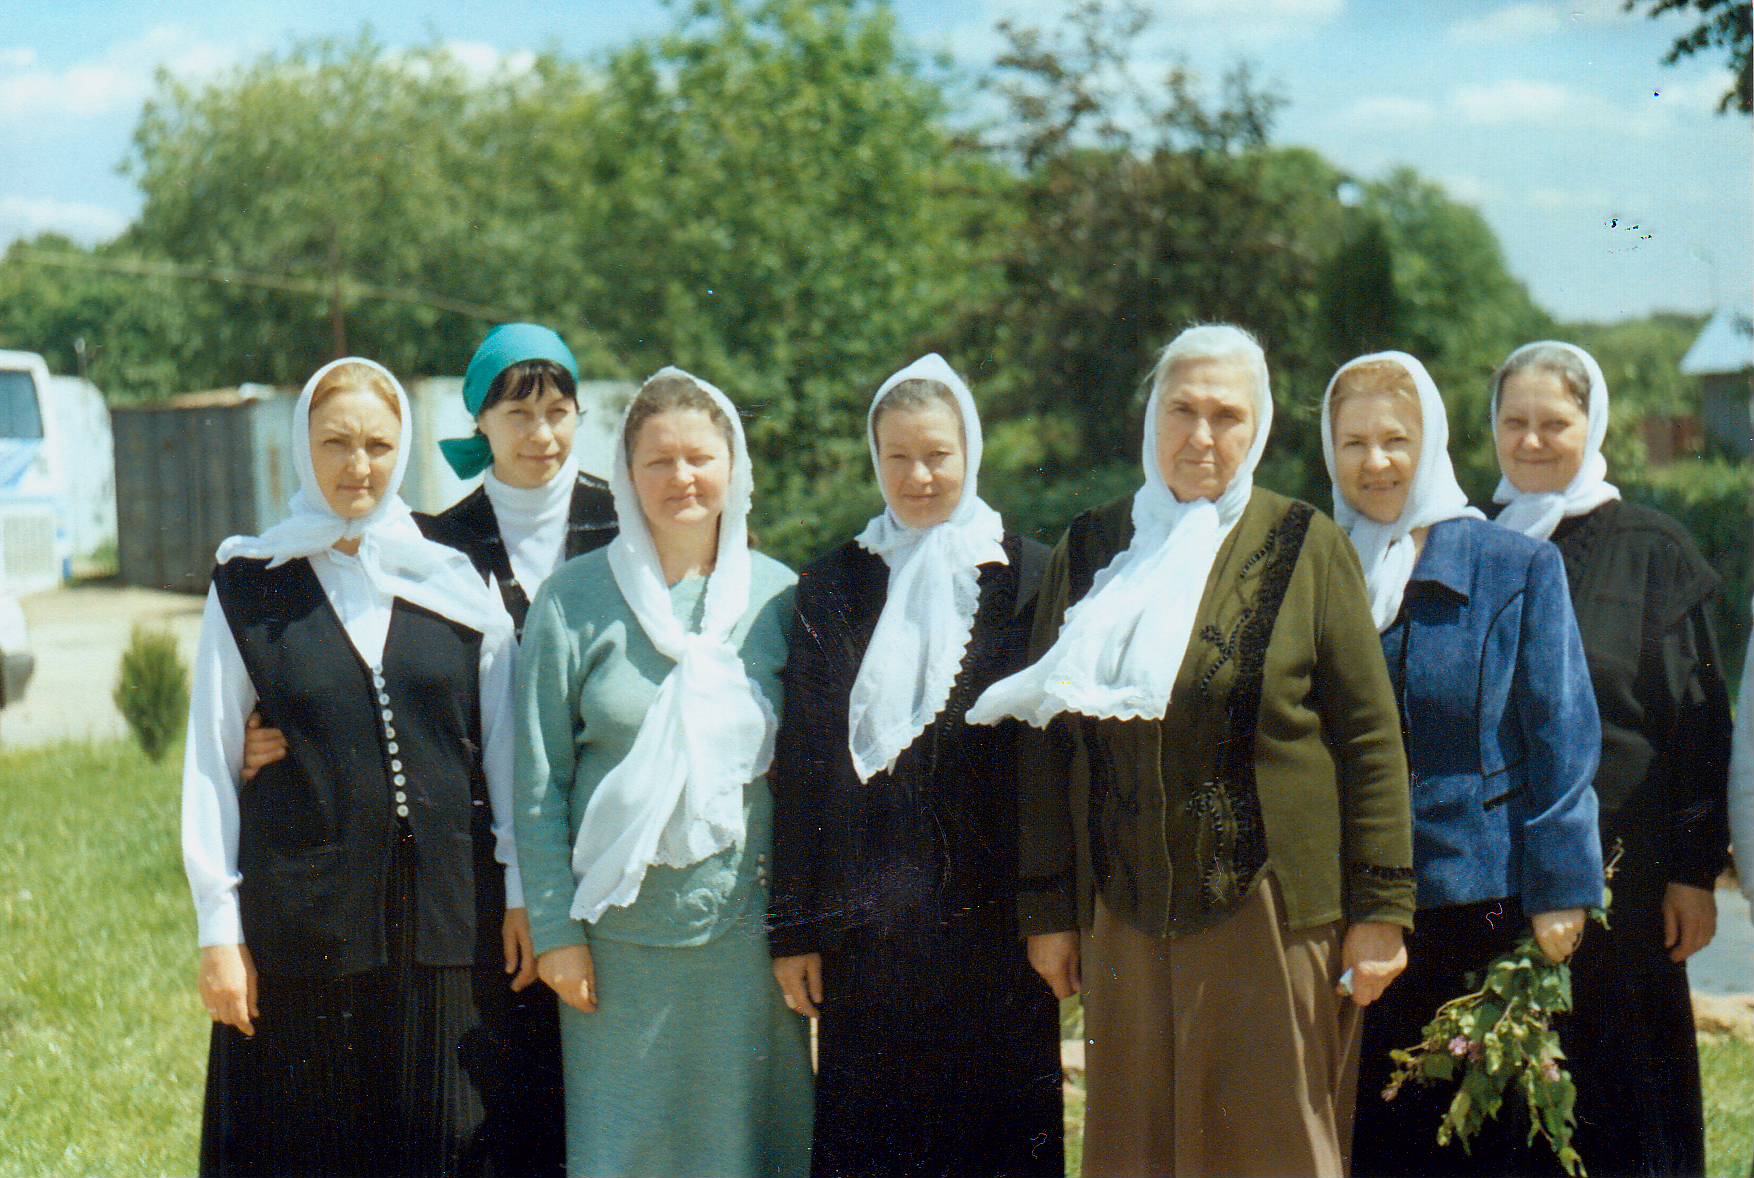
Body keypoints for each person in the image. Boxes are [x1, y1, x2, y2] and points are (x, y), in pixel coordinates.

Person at [968, 324, 1416, 1178]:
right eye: (1183, 410)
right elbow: (1049, 746)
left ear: (1260, 427)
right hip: (1125, 912)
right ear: (1151, 418)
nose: (1202, 436)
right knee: (1137, 1148)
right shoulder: (1093, 547)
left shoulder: (1307, 545)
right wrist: (1051, 911)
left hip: (1275, 908)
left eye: (1227, 415)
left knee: (1274, 1145)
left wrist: (1381, 911)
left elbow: (1369, 738)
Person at [239, 324, 614, 1177]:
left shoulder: (624, 519)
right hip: (490, 866)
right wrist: (268, 739)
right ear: (477, 420)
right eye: (516, 413)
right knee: (509, 1086)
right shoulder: (434, 545)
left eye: (558, 411)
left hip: (607, 839)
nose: (540, 433)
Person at [181, 358, 519, 1177]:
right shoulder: (251, 585)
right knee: (314, 1145)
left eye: (377, 444)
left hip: (448, 915)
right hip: (307, 923)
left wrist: (519, 891)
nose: (357, 465)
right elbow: (210, 766)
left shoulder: (455, 573)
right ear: (302, 446)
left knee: (446, 1137)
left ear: (403, 449)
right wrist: (219, 933)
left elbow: (507, 749)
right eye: (335, 442)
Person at [768, 354, 1063, 1178]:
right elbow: (804, 765)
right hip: (872, 936)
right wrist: (794, 930)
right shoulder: (834, 585)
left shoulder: (1034, 576)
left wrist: (1057, 914)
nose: (918, 476)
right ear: (875, 459)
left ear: (971, 451)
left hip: (999, 932)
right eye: (897, 456)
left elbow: (1054, 766)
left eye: (937, 454)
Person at [514, 367, 812, 1178]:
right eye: (658, 461)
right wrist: (557, 936)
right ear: (626, 474)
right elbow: (538, 782)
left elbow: (809, 783)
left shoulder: (783, 599)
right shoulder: (572, 601)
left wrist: (802, 929)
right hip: (615, 944)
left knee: (749, 1144)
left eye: (700, 457)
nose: (682, 477)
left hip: (748, 938)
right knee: (630, 1147)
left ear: (733, 466)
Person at [1320, 351, 1604, 1177]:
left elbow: (1562, 737)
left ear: (1434, 443)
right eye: (1353, 442)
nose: (1376, 462)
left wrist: (1562, 888)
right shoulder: (1313, 567)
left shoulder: (1514, 565)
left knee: (1480, 1146)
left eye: (1396, 440)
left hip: (1482, 905)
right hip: (1344, 904)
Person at [1490, 340, 1731, 1177]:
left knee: (1626, 1109)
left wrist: (1693, 875)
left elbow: (1699, 728)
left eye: (1554, 423)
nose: (1531, 441)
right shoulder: (1466, 542)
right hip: (1499, 881)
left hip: (1626, 888)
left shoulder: (1654, 550)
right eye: (1514, 422)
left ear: (1592, 427)